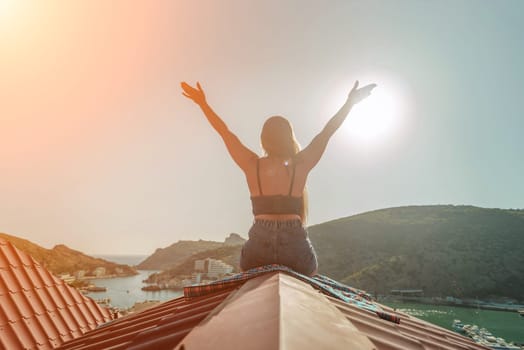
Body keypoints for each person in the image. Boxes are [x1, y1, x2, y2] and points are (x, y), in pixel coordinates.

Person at [181, 80, 376, 276]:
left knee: (244, 272)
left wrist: (203, 104)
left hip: (258, 250)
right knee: (312, 274)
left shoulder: (252, 164)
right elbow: (326, 132)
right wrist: (350, 103)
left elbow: (225, 132)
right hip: (295, 250)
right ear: (289, 137)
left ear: (263, 139)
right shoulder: (300, 164)